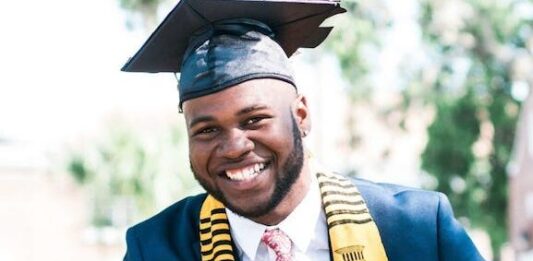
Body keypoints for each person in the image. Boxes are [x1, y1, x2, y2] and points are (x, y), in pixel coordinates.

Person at [122, 0, 484, 260]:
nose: (233, 146)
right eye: (206, 130)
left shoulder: (417, 230)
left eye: (254, 120)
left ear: (301, 115)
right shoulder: (155, 248)